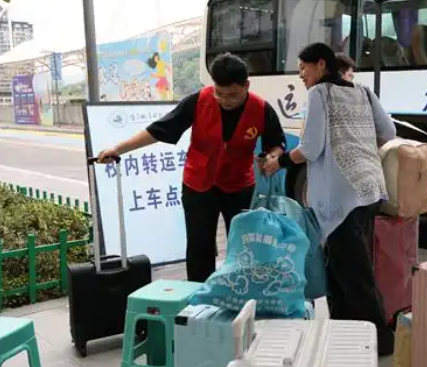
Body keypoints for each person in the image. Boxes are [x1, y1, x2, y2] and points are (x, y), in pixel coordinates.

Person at [98, 53, 286, 282]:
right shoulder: (198, 101)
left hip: (239, 186)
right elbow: (159, 130)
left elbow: (276, 143)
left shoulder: (261, 108)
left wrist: (273, 156)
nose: (225, 100)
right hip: (198, 184)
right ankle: (199, 293)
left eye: (232, 95)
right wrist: (119, 149)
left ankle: (240, 291)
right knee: (199, 245)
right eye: (219, 93)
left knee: (243, 244)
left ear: (246, 85)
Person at [263, 42, 397, 355]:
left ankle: (380, 340)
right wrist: (358, 146)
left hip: (342, 194)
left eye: (303, 68)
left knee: (354, 272)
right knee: (338, 265)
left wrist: (278, 162)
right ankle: (343, 331)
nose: (301, 75)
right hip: (369, 188)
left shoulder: (319, 93)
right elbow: (389, 131)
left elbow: (309, 148)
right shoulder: (363, 92)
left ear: (321, 64)